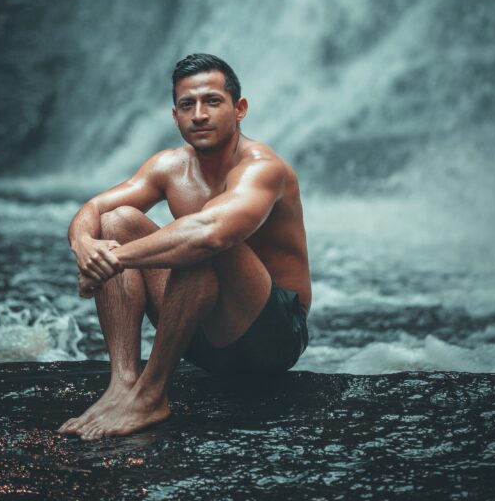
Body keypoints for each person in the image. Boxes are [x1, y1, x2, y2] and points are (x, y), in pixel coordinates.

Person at [58, 53, 311, 441]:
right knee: (116, 221)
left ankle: (152, 394)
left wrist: (113, 260)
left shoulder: (262, 167)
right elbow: (94, 208)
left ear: (239, 109)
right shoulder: (169, 166)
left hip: (270, 337)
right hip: (200, 334)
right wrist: (83, 245)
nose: (199, 114)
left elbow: (211, 234)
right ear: (174, 116)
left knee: (201, 242)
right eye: (186, 105)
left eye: (212, 101)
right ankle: (123, 383)